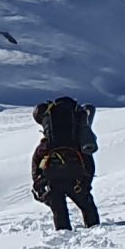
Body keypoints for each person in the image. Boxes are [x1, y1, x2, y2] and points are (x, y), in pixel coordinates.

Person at [31, 96, 102, 230]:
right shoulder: (78, 141)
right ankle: (94, 228)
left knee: (59, 210)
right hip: (76, 177)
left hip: (52, 177)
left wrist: (39, 184)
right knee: (87, 207)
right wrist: (86, 183)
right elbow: (88, 161)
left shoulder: (47, 144)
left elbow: (36, 161)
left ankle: (63, 232)